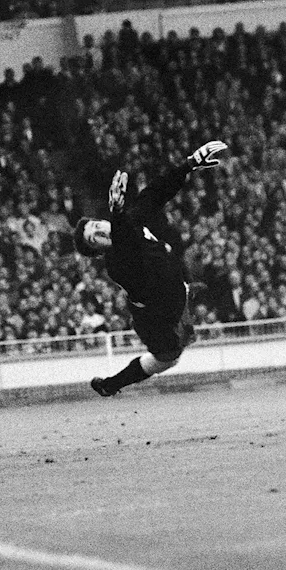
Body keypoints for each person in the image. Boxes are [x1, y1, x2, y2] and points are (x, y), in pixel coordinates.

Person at [73, 140, 229, 396]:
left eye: (97, 225)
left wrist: (189, 164)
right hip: (157, 318)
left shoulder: (129, 221)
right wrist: (117, 213)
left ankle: (186, 290)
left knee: (170, 256)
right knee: (169, 359)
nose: (101, 231)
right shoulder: (116, 264)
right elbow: (126, 245)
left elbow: (156, 193)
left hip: (172, 289)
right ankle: (111, 385)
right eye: (94, 237)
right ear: (98, 251)